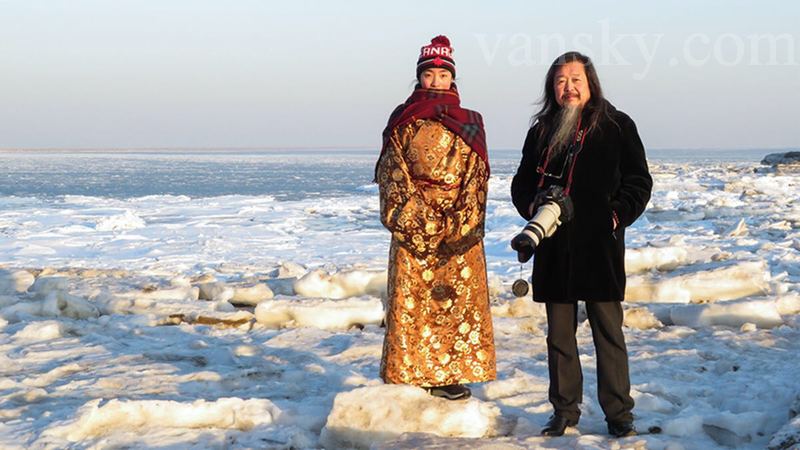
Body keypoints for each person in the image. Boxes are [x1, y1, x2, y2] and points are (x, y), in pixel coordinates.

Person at [511, 51, 652, 437]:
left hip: (599, 246)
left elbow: (639, 181)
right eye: (561, 81)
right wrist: (534, 207)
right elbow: (522, 182)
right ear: (552, 88)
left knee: (609, 333)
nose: (568, 88)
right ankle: (564, 410)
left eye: (576, 80)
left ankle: (619, 414)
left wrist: (614, 217)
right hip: (554, 247)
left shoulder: (618, 125)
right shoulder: (542, 130)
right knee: (559, 337)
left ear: (591, 84)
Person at [375, 35, 496, 400]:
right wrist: (422, 222)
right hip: (413, 225)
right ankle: (409, 373)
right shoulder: (402, 121)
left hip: (459, 225)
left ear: (453, 79)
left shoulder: (470, 122)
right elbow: (392, 175)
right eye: (429, 75)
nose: (436, 82)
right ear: (419, 77)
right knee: (413, 304)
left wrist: (459, 223)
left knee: (455, 304)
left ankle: (449, 376)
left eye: (443, 75)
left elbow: (477, 177)